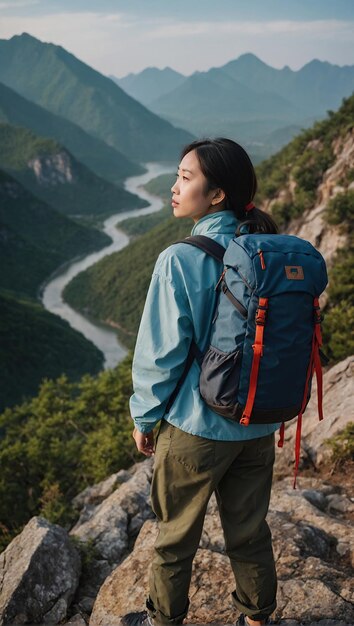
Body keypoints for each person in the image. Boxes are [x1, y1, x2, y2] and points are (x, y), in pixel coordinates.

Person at [125, 138, 280, 626]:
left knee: (174, 539)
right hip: (257, 424)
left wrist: (144, 418)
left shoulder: (180, 258)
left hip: (197, 427)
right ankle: (257, 619)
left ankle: (163, 621)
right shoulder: (267, 248)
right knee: (250, 532)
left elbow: (161, 355)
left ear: (216, 195)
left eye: (185, 178)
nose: (174, 187)